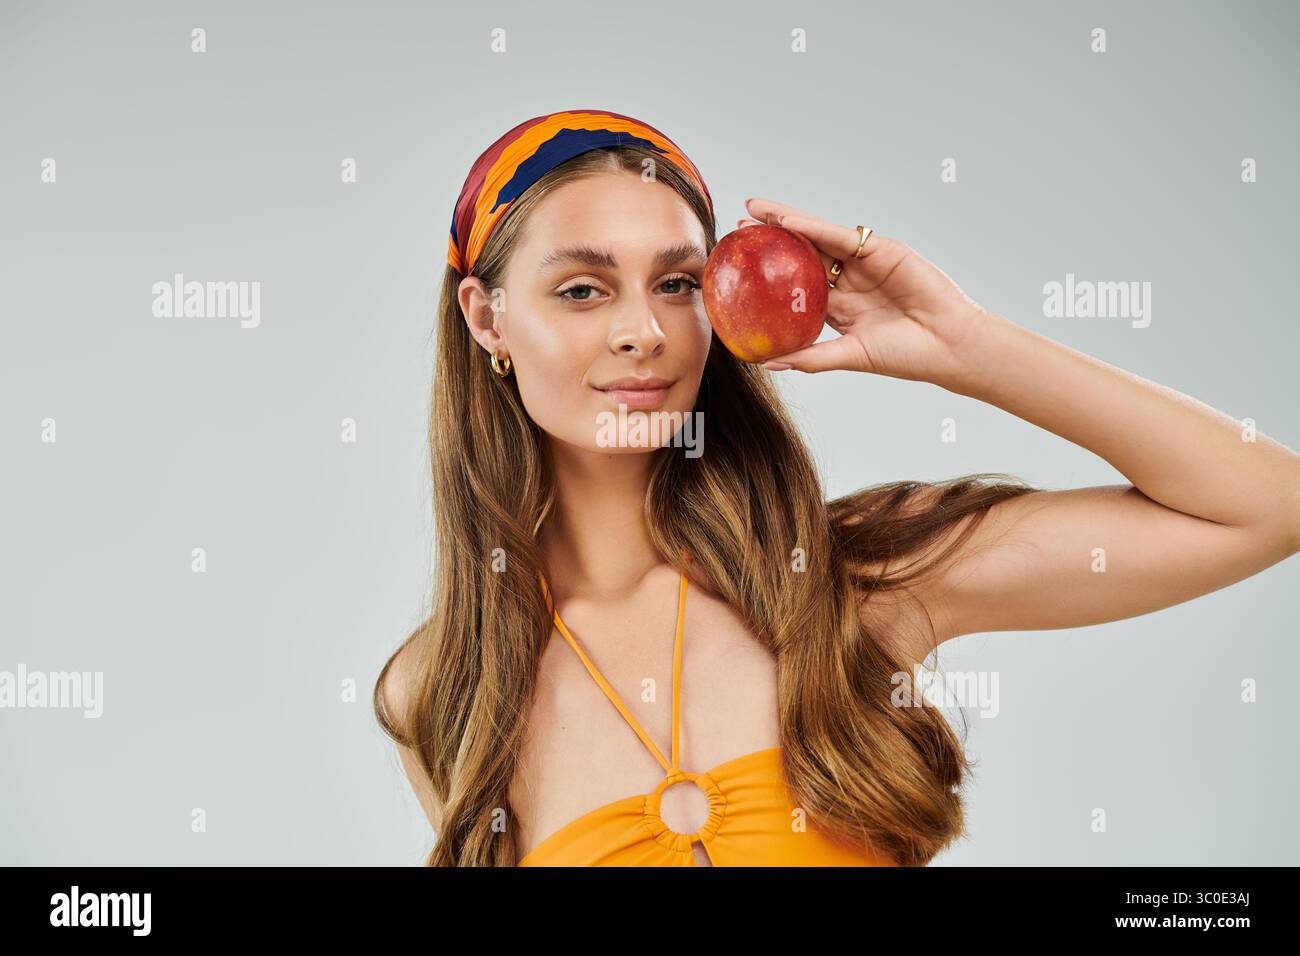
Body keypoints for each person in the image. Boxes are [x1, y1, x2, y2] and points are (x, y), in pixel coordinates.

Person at [374, 108, 1300, 867]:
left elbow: (1268, 505)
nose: (642, 332)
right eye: (582, 290)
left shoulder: (850, 577)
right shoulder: (442, 688)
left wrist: (967, 348)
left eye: (679, 284)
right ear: (486, 316)